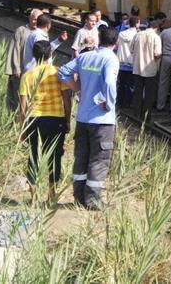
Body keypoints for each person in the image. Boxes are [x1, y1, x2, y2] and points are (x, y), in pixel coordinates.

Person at [57, 26, 120, 210]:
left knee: (82, 157)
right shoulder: (111, 59)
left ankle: (78, 197)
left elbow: (62, 72)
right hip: (102, 121)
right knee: (99, 159)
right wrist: (108, 104)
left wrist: (77, 88)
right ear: (115, 43)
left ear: (99, 39)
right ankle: (93, 201)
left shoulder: (85, 56)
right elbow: (109, 82)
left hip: (83, 117)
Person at [18, 40, 72, 202]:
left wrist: (23, 129)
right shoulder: (58, 72)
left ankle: (33, 196)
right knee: (54, 155)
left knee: (33, 155)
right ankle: (51, 194)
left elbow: (23, 106)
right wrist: (67, 120)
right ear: (51, 54)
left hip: (33, 118)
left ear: (34, 55)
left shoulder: (27, 75)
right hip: (55, 118)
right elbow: (67, 100)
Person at [5, 9, 42, 111]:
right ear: (29, 18)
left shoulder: (40, 33)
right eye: (34, 19)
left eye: (39, 20)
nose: (36, 22)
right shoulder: (21, 31)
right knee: (18, 98)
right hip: (20, 72)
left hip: (34, 74)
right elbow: (14, 49)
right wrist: (16, 68)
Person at [130, 17, 163, 119]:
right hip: (150, 70)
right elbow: (157, 54)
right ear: (156, 28)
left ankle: (136, 113)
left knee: (137, 91)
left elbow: (131, 50)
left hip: (137, 68)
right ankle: (146, 115)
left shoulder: (137, 35)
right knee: (149, 94)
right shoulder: (156, 37)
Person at [115, 15, 139, 108]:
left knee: (121, 83)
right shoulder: (137, 35)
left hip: (121, 62)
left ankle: (119, 101)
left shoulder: (121, 34)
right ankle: (128, 102)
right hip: (132, 63)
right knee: (130, 85)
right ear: (137, 23)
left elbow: (116, 46)